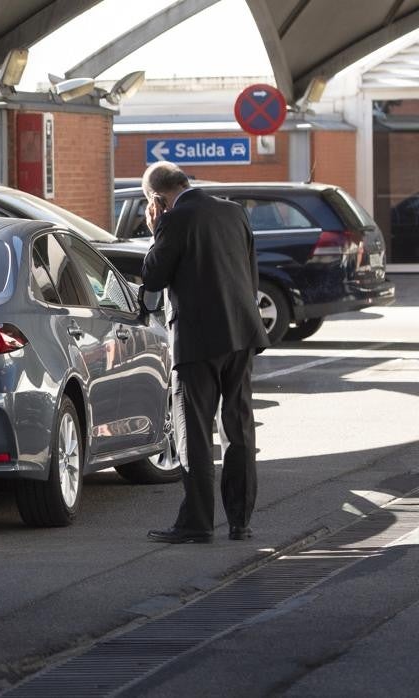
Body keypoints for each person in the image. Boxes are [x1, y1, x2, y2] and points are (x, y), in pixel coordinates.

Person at [139, 161, 269, 544]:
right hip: (242, 333)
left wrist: (155, 230)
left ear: (158, 198)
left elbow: (153, 276)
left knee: (193, 431)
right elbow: (250, 270)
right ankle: (240, 522)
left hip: (196, 341)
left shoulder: (173, 220)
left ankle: (196, 522)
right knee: (239, 428)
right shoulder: (233, 211)